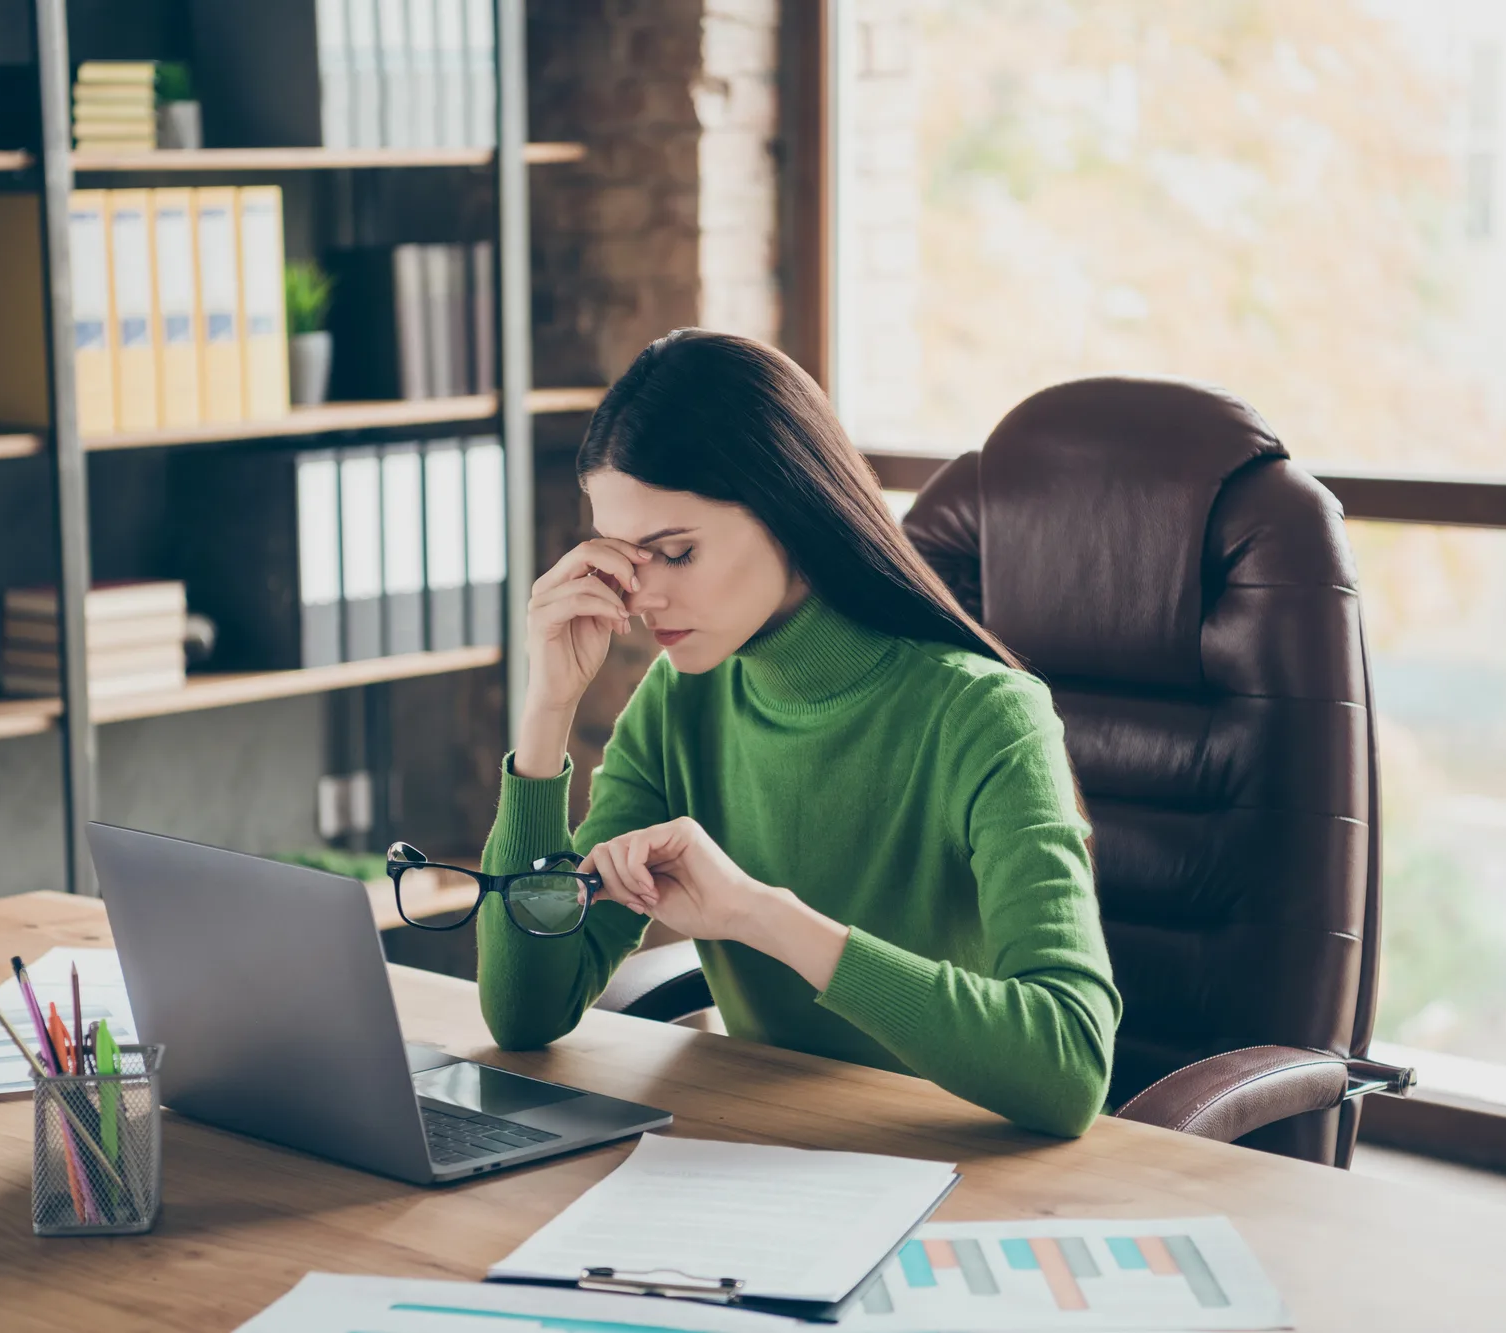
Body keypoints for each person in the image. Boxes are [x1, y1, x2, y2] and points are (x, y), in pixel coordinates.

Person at [477, 329, 1119, 1136]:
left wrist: (761, 916)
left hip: (957, 1167)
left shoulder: (986, 716)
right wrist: (547, 711)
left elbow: (1068, 1064)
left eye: (674, 552)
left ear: (789, 509)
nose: (642, 599)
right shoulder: (679, 703)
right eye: (625, 560)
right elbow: (526, 1011)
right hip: (766, 1155)